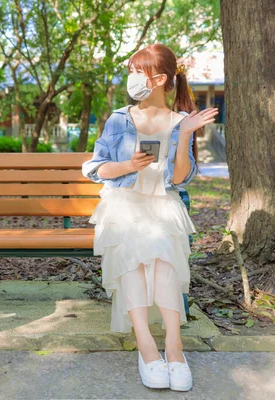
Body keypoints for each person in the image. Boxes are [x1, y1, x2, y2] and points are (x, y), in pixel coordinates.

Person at [82, 44, 218, 392]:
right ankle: (146, 347)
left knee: (164, 260)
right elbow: (95, 168)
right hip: (125, 203)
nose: (131, 77)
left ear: (158, 79)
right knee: (134, 262)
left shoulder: (179, 122)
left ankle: (175, 349)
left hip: (162, 205)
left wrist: (186, 132)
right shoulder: (119, 119)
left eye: (137, 71)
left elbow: (180, 178)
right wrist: (128, 165)